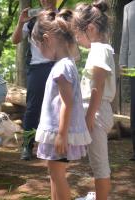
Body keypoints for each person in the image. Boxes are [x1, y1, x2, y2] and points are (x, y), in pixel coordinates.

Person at [33, 9, 91, 200]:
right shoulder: (66, 64)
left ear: (47, 39)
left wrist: (61, 134)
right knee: (54, 174)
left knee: (57, 176)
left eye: (38, 45)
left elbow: (68, 102)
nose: (39, 50)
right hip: (57, 131)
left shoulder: (62, 67)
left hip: (59, 131)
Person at [74, 1, 115, 200]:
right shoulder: (102, 49)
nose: (76, 38)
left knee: (100, 165)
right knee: (96, 162)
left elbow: (97, 86)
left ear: (90, 28)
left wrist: (89, 115)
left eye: (77, 33)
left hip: (96, 112)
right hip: (98, 111)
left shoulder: (99, 50)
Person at [12, 0, 57, 160]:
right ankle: (27, 146)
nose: (45, 1)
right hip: (37, 68)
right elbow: (15, 40)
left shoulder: (61, 17)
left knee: (58, 106)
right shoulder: (32, 19)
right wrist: (20, 22)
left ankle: (57, 145)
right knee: (33, 108)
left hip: (58, 66)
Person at [119, 0, 135, 161]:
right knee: (134, 108)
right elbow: (125, 35)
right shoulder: (128, 7)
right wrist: (122, 61)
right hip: (133, 65)